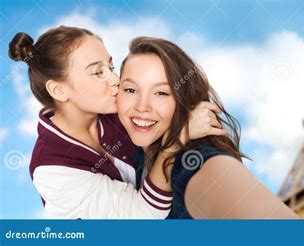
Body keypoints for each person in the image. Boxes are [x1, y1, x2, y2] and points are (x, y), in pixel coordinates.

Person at [8, 26, 223, 219]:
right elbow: (144, 215)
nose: (115, 80)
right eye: (98, 72)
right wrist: (177, 140)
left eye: (110, 67)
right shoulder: (52, 168)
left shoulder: (114, 107)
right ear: (58, 90)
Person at [118, 37, 299, 219]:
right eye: (130, 90)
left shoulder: (199, 165)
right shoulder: (132, 151)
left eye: (162, 93)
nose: (142, 106)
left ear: (184, 100)